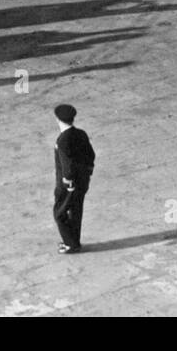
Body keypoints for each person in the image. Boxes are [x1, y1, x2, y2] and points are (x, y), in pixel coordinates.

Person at [52, 104, 96, 254]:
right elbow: (91, 155)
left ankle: (70, 244)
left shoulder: (62, 141)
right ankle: (74, 241)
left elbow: (67, 166)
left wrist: (68, 182)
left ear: (57, 119)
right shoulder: (81, 134)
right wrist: (88, 173)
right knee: (76, 211)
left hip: (68, 185)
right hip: (82, 181)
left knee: (59, 213)